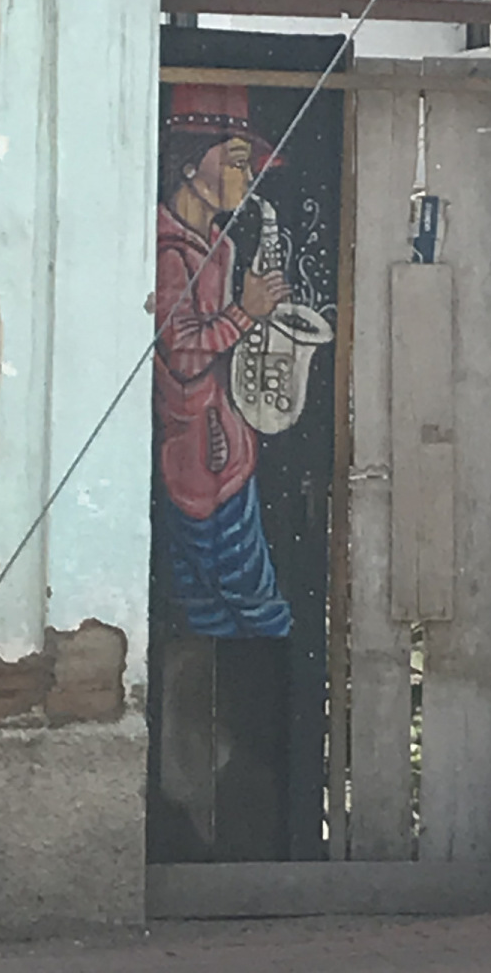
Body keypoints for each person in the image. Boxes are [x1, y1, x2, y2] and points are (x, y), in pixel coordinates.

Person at [153, 83, 292, 638]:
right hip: (200, 464)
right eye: (236, 161)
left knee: (212, 607)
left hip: (225, 450)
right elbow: (184, 355)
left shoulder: (218, 243)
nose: (248, 176)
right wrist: (244, 313)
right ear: (190, 164)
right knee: (255, 607)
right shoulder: (169, 252)